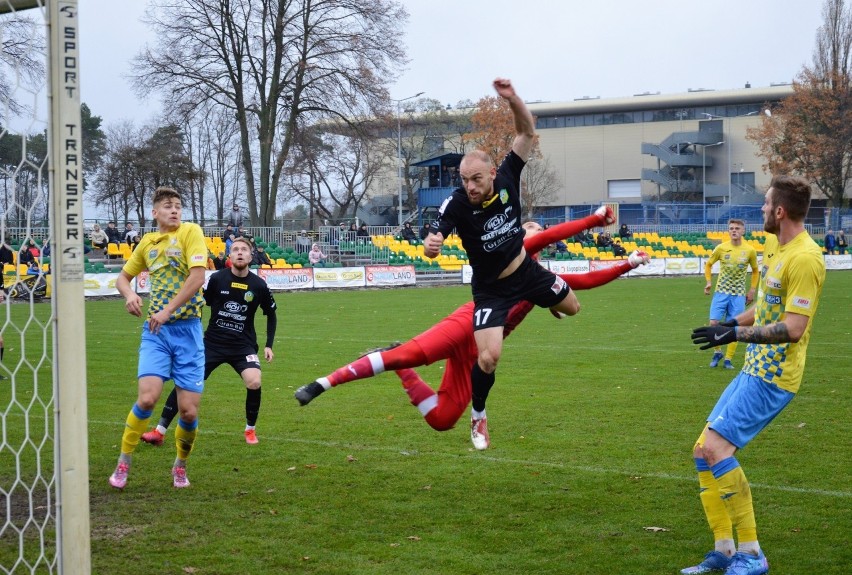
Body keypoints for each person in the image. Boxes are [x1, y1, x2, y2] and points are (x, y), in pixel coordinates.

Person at [296, 210, 646, 446]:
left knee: (443, 419)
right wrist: (594, 219)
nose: (536, 235)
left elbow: (584, 280)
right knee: (416, 353)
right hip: (469, 322)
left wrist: (627, 264)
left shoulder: (542, 279)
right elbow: (550, 236)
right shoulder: (517, 246)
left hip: (480, 352)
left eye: (538, 231)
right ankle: (324, 382)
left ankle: (400, 368)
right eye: (530, 229)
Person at [423, 78, 584, 450]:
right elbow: (436, 233)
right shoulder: (457, 202)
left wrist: (512, 99)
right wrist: (432, 244)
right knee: (490, 356)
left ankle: (549, 303)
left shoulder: (510, 174)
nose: (470, 187)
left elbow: (527, 130)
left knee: (573, 308)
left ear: (492, 172)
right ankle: (478, 417)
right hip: (491, 290)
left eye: (476, 179)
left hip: (528, 272)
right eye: (464, 180)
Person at [686, 175, 825, 575]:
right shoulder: (775, 248)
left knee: (716, 450)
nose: (761, 210)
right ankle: (725, 550)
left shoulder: (805, 258)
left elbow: (793, 327)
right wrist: (726, 326)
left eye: (766, 205)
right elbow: (764, 309)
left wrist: (735, 333)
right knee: (702, 451)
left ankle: (752, 555)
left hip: (775, 376)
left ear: (780, 211)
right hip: (753, 368)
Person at [108, 186, 208, 490]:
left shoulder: (191, 232)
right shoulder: (147, 243)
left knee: (189, 411)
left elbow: (198, 276)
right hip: (157, 333)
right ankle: (124, 460)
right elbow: (122, 278)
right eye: (167, 206)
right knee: (148, 398)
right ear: (155, 213)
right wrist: (129, 295)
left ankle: (180, 464)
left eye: (178, 205)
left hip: (188, 331)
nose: (174, 210)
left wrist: (166, 310)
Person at [141, 237, 277, 447]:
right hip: (212, 344)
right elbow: (200, 305)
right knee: (185, 382)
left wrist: (269, 344)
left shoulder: (259, 285)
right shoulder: (217, 279)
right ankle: (159, 431)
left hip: (243, 346)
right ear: (229, 256)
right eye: (236, 249)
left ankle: (250, 430)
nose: (240, 252)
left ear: (251, 256)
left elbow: (272, 314)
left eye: (244, 250)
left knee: (254, 381)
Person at [703, 219, 759, 370]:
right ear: (728, 231)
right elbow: (708, 264)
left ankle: (728, 359)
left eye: (737, 228)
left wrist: (752, 290)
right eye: (731, 228)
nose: (734, 230)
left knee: (734, 327)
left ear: (743, 231)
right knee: (714, 323)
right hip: (721, 292)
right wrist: (708, 282)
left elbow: (755, 271)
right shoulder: (721, 248)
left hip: (739, 295)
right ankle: (717, 352)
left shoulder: (750, 250)